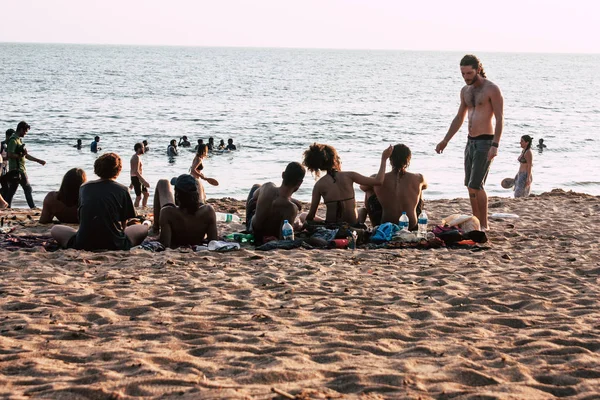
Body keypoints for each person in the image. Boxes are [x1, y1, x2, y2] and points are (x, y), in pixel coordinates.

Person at [435, 54, 504, 230]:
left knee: (477, 185)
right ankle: (476, 223)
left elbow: (499, 118)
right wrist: (445, 140)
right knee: (469, 186)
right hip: (470, 141)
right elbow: (459, 117)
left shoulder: (492, 89)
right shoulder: (465, 91)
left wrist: (495, 145)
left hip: (485, 142)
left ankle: (484, 225)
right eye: (463, 73)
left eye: (469, 73)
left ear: (478, 70)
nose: (466, 77)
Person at [51, 153, 148, 250]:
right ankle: (147, 224)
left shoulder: (84, 187)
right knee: (143, 227)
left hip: (83, 242)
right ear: (118, 170)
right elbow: (124, 223)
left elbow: (82, 216)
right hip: (115, 243)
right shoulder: (123, 190)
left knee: (55, 229)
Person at [302, 143, 392, 225]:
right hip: (353, 225)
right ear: (335, 159)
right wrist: (384, 159)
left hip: (332, 226)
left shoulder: (319, 185)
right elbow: (378, 181)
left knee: (303, 215)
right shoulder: (350, 175)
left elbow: (311, 215)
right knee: (362, 210)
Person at [246, 162, 305, 244]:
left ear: (283, 175)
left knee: (256, 187)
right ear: (300, 183)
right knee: (296, 222)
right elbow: (284, 237)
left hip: (253, 228)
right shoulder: (291, 208)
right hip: (269, 234)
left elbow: (254, 197)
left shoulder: (267, 186)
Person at [152, 174, 217, 248]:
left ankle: (155, 229)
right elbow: (214, 242)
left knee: (163, 182)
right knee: (197, 181)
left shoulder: (167, 213)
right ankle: (192, 194)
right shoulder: (208, 211)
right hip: (197, 228)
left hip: (176, 231)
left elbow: (165, 244)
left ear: (176, 194)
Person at [371, 144, 426, 230]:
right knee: (420, 189)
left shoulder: (375, 178)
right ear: (408, 160)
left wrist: (383, 160)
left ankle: (375, 226)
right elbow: (425, 186)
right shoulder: (419, 178)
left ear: (390, 159)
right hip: (411, 224)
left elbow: (362, 187)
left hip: (387, 225)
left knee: (369, 191)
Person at [4, 121, 46, 208]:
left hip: (19, 169)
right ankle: (32, 207)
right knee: (27, 189)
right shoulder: (13, 140)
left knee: (12, 191)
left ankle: (6, 206)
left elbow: (25, 155)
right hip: (17, 170)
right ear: (21, 129)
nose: (26, 133)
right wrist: (20, 155)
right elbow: (9, 154)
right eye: (25, 131)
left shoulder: (19, 140)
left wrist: (38, 161)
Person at [130, 142, 150, 207]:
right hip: (136, 178)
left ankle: (144, 208)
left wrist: (132, 183)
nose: (144, 149)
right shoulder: (136, 157)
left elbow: (133, 170)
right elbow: (135, 171)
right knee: (139, 197)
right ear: (139, 149)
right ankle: (135, 210)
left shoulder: (136, 157)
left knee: (146, 194)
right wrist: (144, 181)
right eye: (143, 148)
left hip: (136, 178)